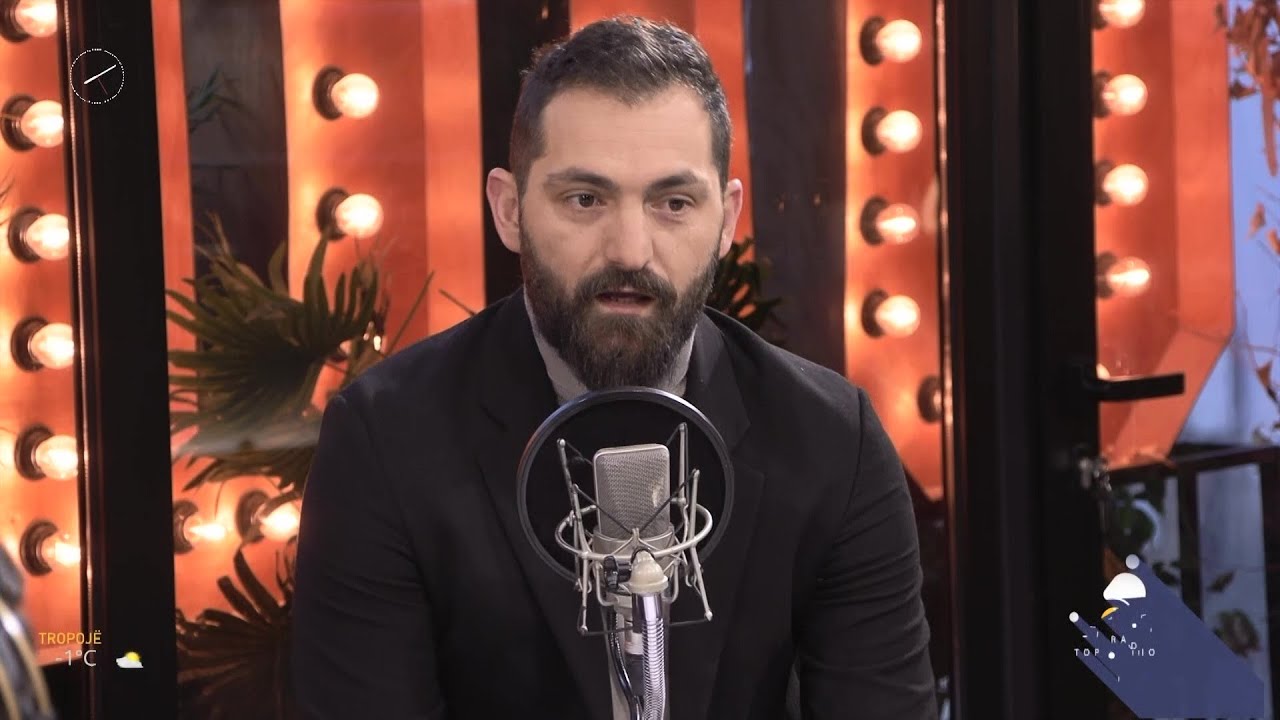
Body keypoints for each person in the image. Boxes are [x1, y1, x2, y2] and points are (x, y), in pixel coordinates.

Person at [291, 15, 937, 720]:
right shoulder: (386, 442)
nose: (630, 249)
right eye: (585, 199)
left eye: (673, 203)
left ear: (726, 219)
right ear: (509, 210)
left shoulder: (833, 442)